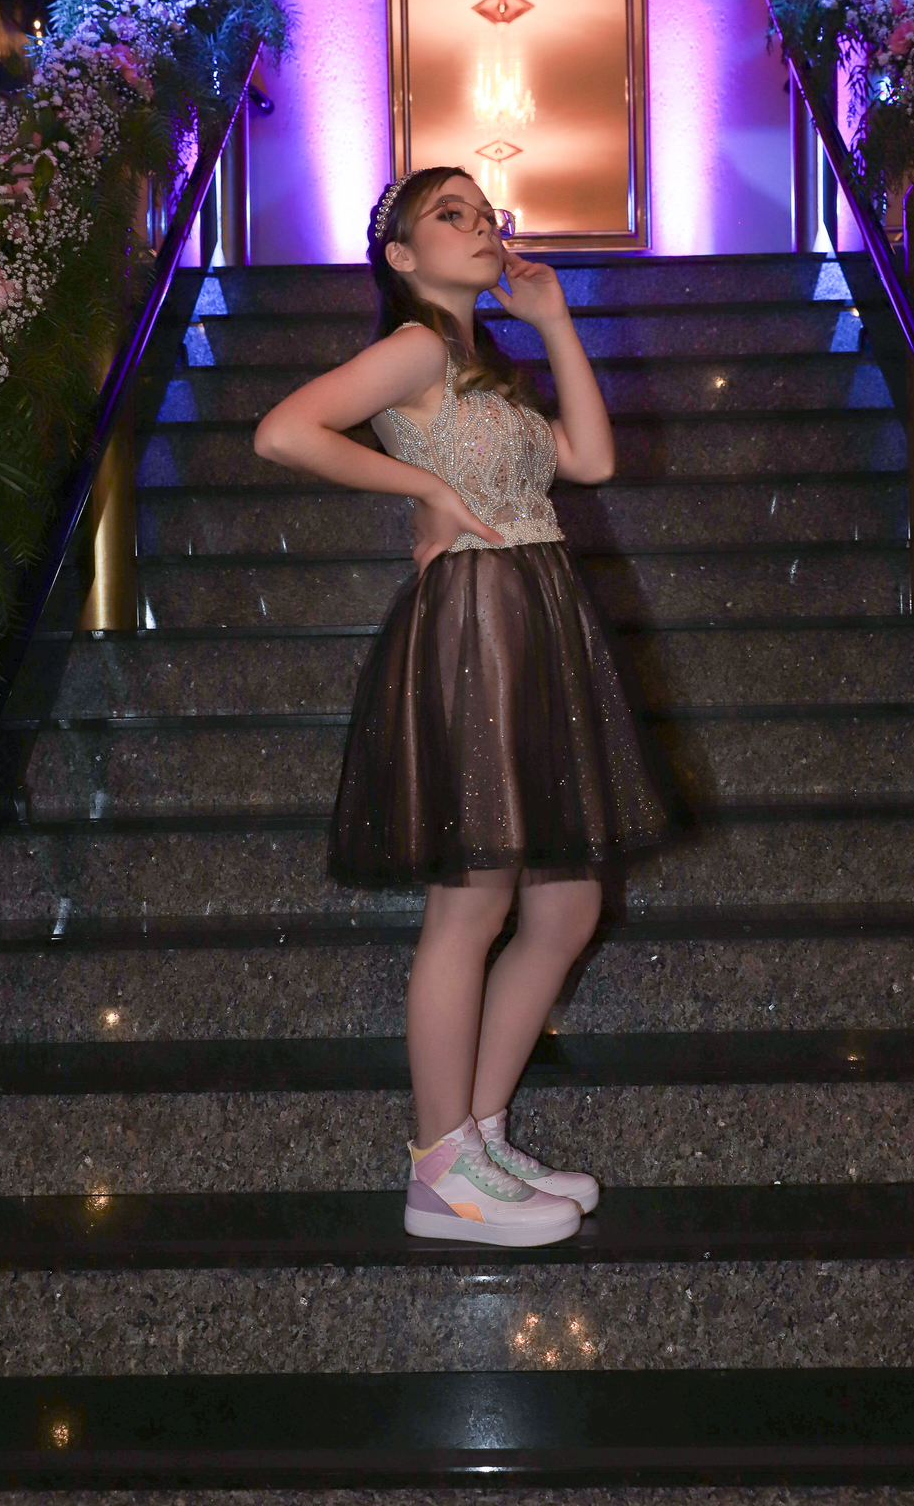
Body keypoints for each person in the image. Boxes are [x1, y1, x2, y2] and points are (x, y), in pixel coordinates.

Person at [254, 166, 669, 1246]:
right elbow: (286, 431)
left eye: (487, 214)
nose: (481, 227)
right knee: (473, 906)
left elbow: (592, 459)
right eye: (452, 215)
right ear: (400, 257)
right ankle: (440, 1173)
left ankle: (478, 1138)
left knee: (565, 909)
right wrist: (427, 489)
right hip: (479, 620)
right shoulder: (417, 346)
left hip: (537, 613)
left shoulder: (484, 362)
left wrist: (556, 319)